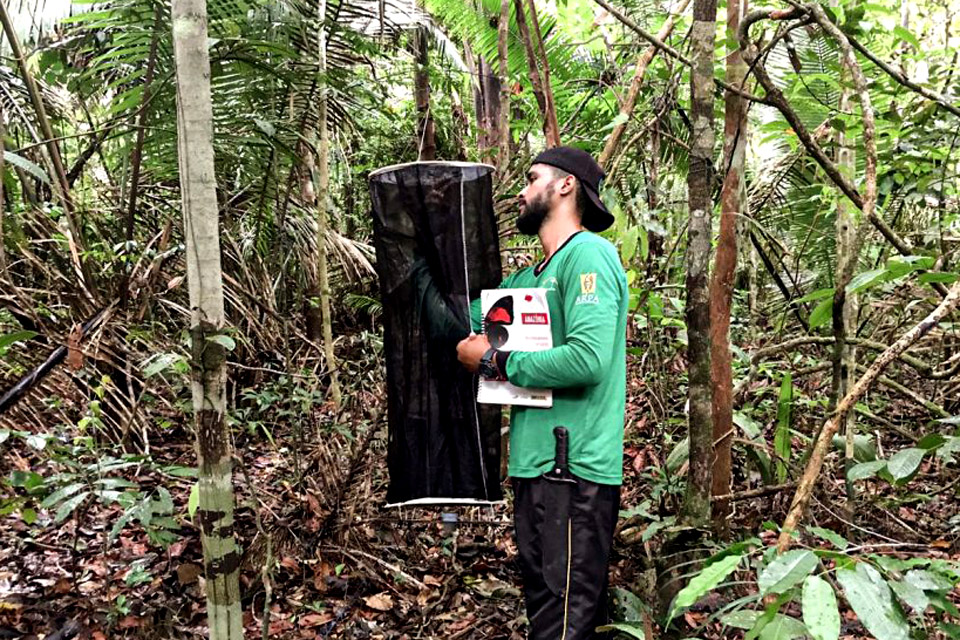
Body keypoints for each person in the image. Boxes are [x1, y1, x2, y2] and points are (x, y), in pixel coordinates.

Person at [457, 146, 628, 640]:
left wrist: (493, 359)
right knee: (550, 611)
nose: (522, 190)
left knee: (562, 618)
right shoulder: (529, 279)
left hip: (572, 471)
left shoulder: (589, 256)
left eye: (532, 179)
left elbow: (588, 360)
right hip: (537, 466)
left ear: (565, 186)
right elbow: (461, 317)